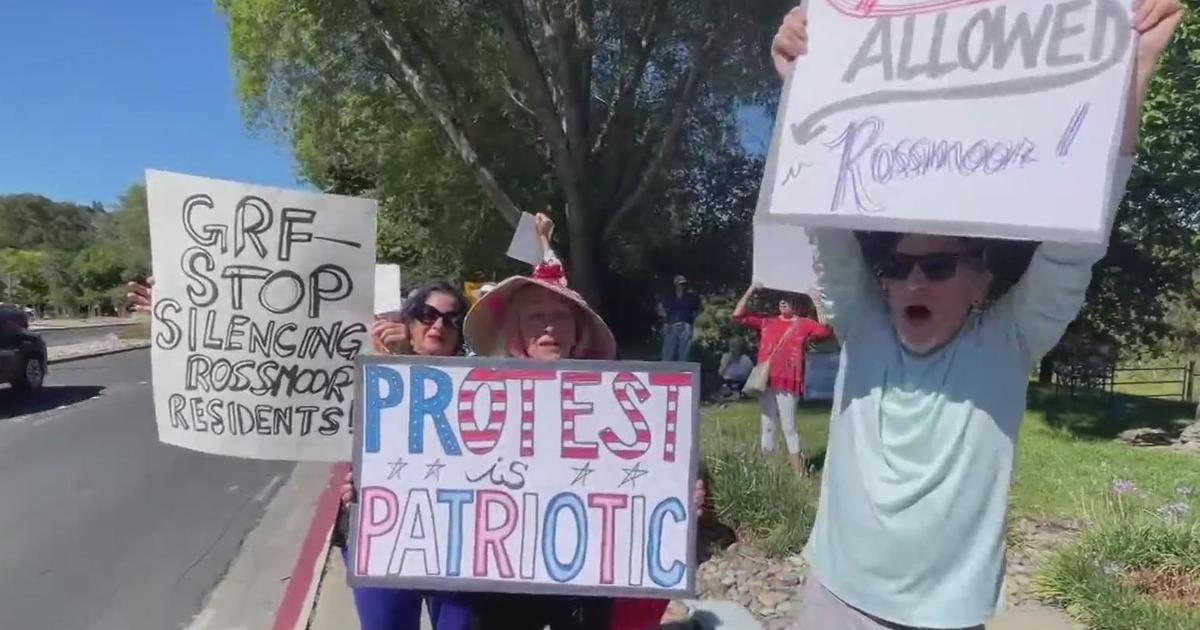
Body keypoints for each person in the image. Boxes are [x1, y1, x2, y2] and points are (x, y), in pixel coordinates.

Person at [770, 1, 1180, 628]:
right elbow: (822, 216)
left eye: (938, 267)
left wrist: (1134, 70)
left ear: (982, 279)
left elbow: (1078, 243)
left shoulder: (1010, 341)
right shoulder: (864, 323)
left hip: (946, 615)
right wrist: (804, 79)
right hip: (835, 593)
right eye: (898, 265)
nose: (913, 278)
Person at [129, 277, 468, 630]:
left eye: (452, 318)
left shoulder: (490, 380)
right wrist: (187, 315)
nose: (439, 325)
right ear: (407, 322)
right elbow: (276, 350)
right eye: (427, 315)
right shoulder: (361, 365)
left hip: (458, 542)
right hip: (377, 531)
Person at [455, 214, 705, 630]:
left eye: (562, 317)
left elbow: (638, 481)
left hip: (585, 579)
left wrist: (679, 495)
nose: (550, 326)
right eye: (536, 316)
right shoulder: (479, 399)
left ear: (578, 331)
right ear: (518, 330)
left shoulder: (619, 404)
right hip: (503, 579)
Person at [733, 284, 831, 475]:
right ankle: (768, 471)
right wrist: (751, 290)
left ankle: (798, 474)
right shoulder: (767, 322)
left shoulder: (804, 324)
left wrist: (817, 301)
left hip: (788, 380)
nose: (783, 302)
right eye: (781, 299)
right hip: (767, 379)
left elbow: (825, 331)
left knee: (789, 427)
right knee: (767, 425)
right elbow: (738, 316)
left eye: (788, 298)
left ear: (797, 303)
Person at [658, 275, 701, 362]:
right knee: (668, 353)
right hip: (670, 325)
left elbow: (698, 309)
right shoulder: (668, 297)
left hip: (685, 325)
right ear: (675, 285)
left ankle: (683, 373)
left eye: (683, 284)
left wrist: (691, 319)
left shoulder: (691, 298)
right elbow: (660, 308)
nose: (682, 286)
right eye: (680, 284)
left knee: (684, 354)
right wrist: (665, 319)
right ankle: (666, 373)